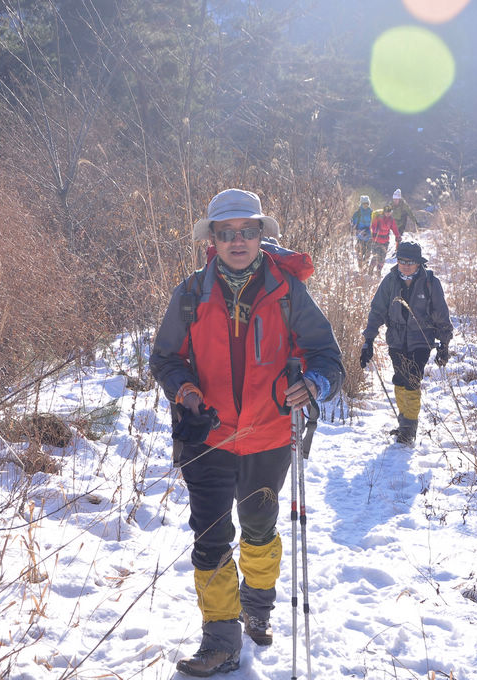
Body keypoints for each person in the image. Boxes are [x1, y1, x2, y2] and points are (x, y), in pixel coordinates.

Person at [150, 188, 344, 677]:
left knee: (258, 529)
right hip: (207, 437)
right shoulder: (191, 294)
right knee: (211, 537)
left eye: (248, 231)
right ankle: (219, 640)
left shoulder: (287, 291)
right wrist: (184, 387)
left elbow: (326, 355)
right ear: (211, 240)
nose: (238, 241)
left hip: (270, 434)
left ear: (261, 236)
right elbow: (165, 358)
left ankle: (257, 605)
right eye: (226, 233)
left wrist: (314, 383)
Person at [359, 241, 452, 446]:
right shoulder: (390, 281)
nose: (405, 266)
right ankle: (404, 422)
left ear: (419, 263)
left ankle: (408, 429)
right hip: (396, 340)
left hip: (421, 340)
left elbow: (441, 314)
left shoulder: (430, 282)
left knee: (412, 380)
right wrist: (369, 340)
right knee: (399, 380)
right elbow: (377, 311)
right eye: (402, 261)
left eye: (410, 262)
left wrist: (444, 344)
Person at [368, 203, 400, 274]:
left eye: (389, 212)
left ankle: (379, 271)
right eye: (386, 212)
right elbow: (373, 227)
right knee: (376, 256)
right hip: (377, 240)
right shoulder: (379, 217)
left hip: (385, 241)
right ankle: (370, 270)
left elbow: (394, 228)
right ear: (384, 212)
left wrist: (397, 236)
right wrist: (375, 231)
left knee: (382, 258)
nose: (388, 214)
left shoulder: (391, 220)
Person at [350, 194, 373, 272]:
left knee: (367, 254)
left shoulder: (372, 213)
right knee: (360, 254)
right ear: (361, 204)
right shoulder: (357, 213)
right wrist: (355, 229)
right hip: (360, 237)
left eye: (367, 203)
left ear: (368, 203)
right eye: (364, 203)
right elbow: (352, 223)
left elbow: (375, 224)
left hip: (369, 237)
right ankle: (360, 269)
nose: (365, 205)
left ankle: (365, 269)